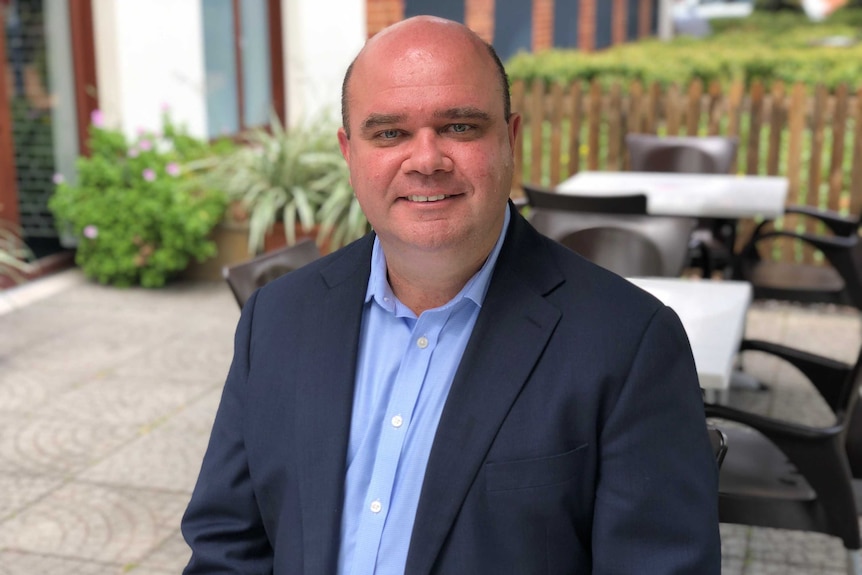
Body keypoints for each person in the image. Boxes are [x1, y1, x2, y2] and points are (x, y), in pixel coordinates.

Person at [181, 15, 721, 574]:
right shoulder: (276, 318)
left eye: (460, 127)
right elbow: (227, 545)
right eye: (388, 133)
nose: (426, 160)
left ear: (509, 140)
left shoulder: (629, 344)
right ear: (350, 154)